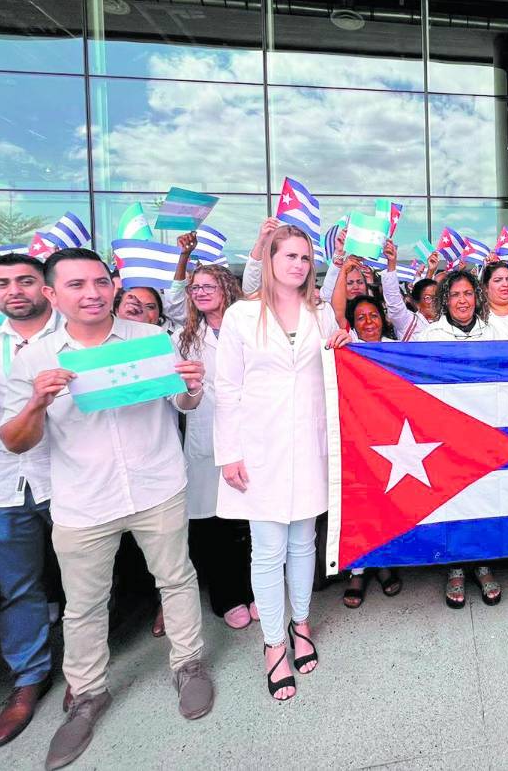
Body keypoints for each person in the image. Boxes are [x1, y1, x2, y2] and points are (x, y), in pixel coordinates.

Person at [0, 248, 214, 769]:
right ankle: (89, 693)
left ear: (114, 284)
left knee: (177, 579)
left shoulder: (149, 339)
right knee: (84, 605)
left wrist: (191, 388)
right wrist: (35, 403)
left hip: (157, 483)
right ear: (52, 294)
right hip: (83, 499)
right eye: (76, 285)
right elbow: (15, 441)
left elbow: (181, 405)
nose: (92, 293)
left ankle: (188, 664)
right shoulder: (33, 359)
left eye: (100, 282)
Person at [213, 225, 351, 702]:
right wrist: (228, 452)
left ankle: (302, 623)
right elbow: (225, 389)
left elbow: (340, 367)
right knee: (267, 549)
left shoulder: (320, 315)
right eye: (288, 255)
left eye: (304, 257)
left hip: (310, 444)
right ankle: (274, 645)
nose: (297, 263)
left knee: (303, 543)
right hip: (258, 449)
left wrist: (343, 347)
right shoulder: (241, 314)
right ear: (268, 259)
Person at [0, 254, 62, 749]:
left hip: (67, 476)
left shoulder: (76, 339)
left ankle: (84, 670)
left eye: (26, 280)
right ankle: (28, 679)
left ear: (46, 289)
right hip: (4, 483)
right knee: (18, 587)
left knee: (84, 578)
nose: (15, 290)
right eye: (2, 283)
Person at [173, 264, 256, 630]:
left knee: (249, 522)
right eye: (195, 288)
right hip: (206, 437)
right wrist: (192, 392)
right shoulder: (184, 338)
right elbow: (178, 400)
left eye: (209, 285)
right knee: (214, 524)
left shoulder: (251, 327)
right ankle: (227, 596)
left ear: (227, 287)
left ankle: (254, 591)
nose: (201, 292)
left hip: (251, 435)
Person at [416, 270, 500, 606]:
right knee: (453, 499)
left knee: (483, 497)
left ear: (477, 297)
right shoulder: (430, 336)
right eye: (455, 295)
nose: (462, 301)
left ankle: (482, 563)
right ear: (444, 300)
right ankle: (454, 568)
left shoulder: (493, 333)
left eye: (467, 294)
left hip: (483, 429)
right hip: (446, 432)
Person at [339, 293, 403, 608]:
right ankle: (359, 570)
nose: (368, 322)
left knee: (387, 502)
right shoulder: (345, 351)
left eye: (374, 315)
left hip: (395, 439)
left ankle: (385, 561)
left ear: (383, 319)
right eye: (361, 317)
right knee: (359, 502)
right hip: (357, 440)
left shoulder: (398, 351)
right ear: (352, 324)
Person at [378, 240, 439, 341]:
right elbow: (394, 303)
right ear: (417, 303)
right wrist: (391, 263)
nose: (434, 301)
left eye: (437, 297)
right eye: (428, 298)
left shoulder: (446, 324)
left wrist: (431, 271)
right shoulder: (408, 321)